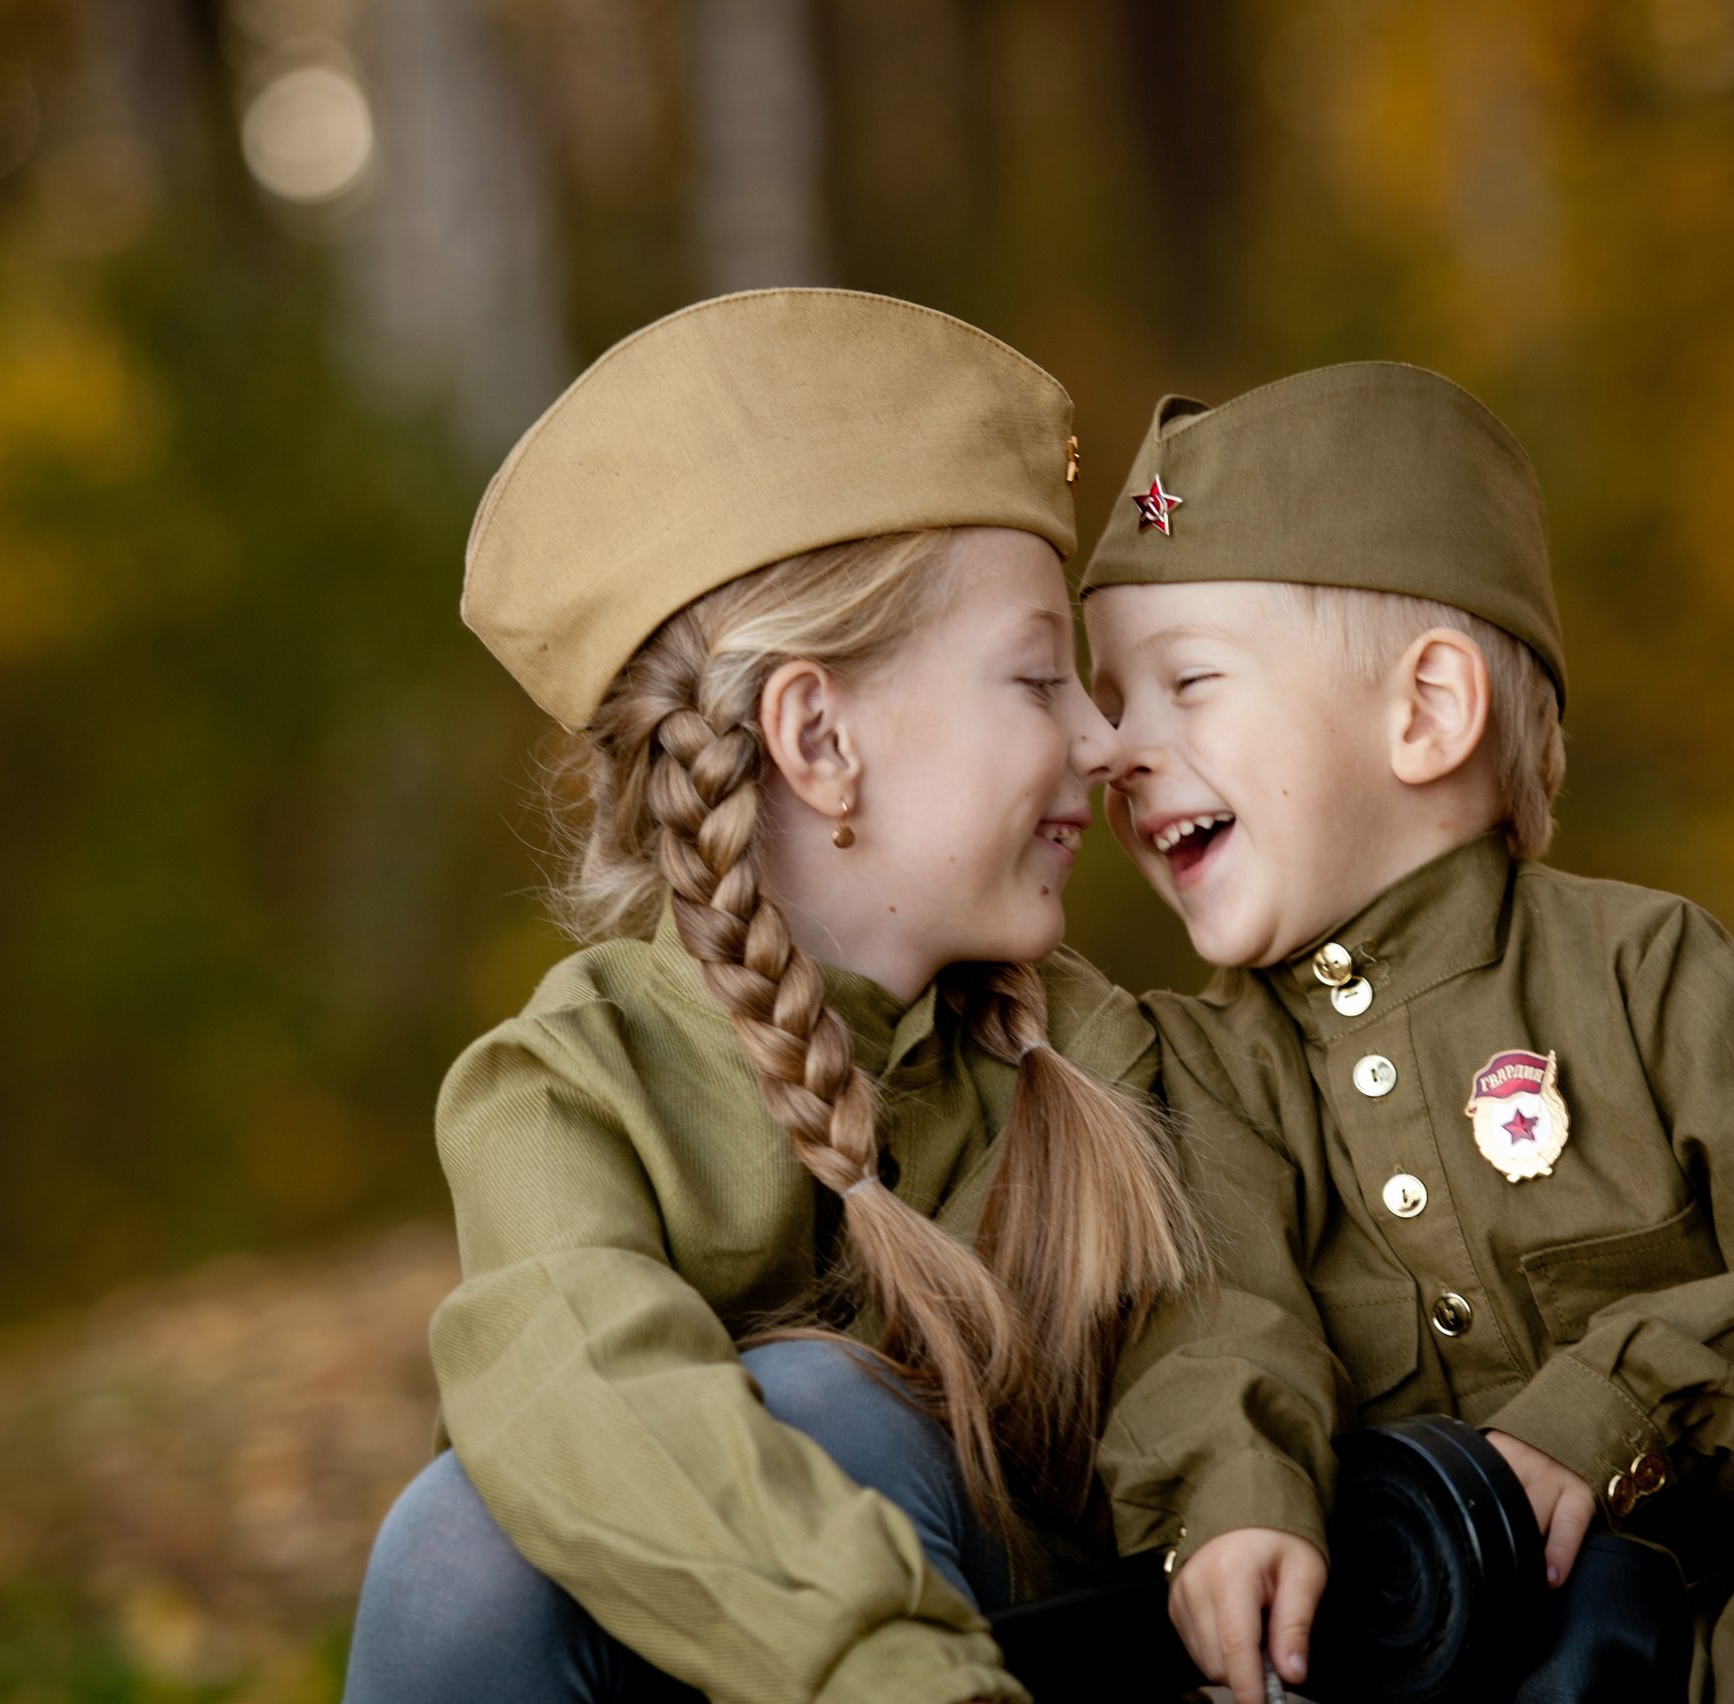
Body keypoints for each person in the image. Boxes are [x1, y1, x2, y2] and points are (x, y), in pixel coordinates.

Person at [1079, 362, 1734, 1702]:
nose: (1117, 750)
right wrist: (1234, 1500)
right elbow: (1218, 1331)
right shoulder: (1206, 1073)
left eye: (1186, 685)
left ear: (1427, 713)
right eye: (1111, 702)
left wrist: (1620, 1408)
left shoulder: (1640, 971)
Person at [343, 288, 1208, 1704]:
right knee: (462, 1541)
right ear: (817, 738)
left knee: (819, 1412)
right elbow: (571, 1384)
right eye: (1043, 678)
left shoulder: (1105, 1054)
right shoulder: (574, 1082)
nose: (1108, 740)